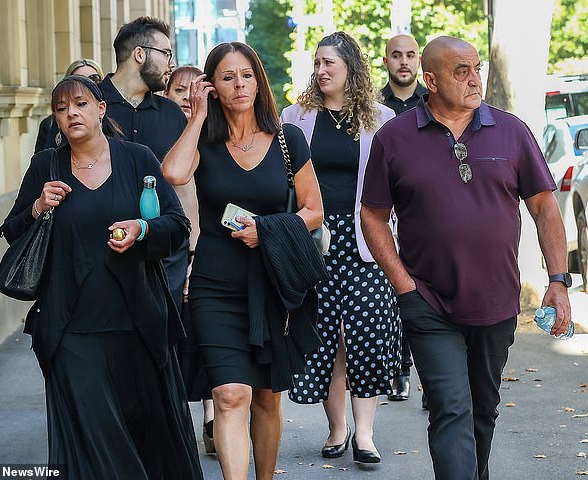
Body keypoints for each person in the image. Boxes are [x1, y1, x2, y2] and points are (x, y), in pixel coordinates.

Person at [360, 36, 571, 480]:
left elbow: (544, 206)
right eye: (461, 71)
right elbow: (373, 215)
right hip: (427, 301)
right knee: (450, 408)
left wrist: (558, 279)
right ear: (430, 79)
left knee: (482, 410)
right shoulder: (394, 138)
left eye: (477, 68)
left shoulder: (511, 131)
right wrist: (402, 282)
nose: (475, 79)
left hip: (495, 301)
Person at [0, 75, 203, 479]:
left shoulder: (138, 158)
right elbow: (13, 230)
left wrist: (141, 230)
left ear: (101, 109)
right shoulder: (47, 165)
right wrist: (39, 205)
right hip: (72, 329)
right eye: (61, 109)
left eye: (79, 104)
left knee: (149, 438)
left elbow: (177, 226)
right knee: (96, 444)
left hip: (137, 325)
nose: (71, 113)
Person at [162, 41, 326, 480]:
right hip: (215, 284)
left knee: (268, 398)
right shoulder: (206, 141)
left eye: (247, 75)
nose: (240, 85)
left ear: (259, 80)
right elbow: (174, 174)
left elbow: (314, 210)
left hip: (271, 283)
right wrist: (196, 115)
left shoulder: (288, 139)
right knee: (230, 394)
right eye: (228, 77)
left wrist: (269, 230)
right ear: (211, 86)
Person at [281, 31, 400, 464]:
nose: (320, 70)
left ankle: (365, 435)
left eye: (329, 63)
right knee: (325, 334)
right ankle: (337, 428)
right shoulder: (295, 117)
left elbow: (397, 184)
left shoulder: (381, 118)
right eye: (317, 63)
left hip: (367, 238)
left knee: (365, 332)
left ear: (350, 66)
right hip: (314, 239)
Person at [99, 16, 190, 314]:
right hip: (103, 256)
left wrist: (190, 254)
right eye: (166, 54)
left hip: (163, 261)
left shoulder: (172, 114)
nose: (170, 64)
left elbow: (186, 191)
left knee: (160, 355)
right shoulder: (89, 106)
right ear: (140, 54)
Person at [165, 65, 216, 454]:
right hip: (164, 255)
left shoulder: (211, 137)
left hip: (203, 253)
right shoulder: (156, 140)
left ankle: (213, 418)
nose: (185, 96)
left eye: (193, 90)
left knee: (206, 336)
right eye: (178, 89)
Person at [380, 33, 428, 403]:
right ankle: (398, 367)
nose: (404, 62)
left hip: (421, 208)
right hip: (381, 208)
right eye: (397, 55)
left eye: (410, 55)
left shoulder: (433, 102)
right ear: (386, 61)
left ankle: (427, 374)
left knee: (423, 287)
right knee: (395, 290)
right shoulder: (372, 105)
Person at [34, 58, 104, 152]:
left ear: (101, 109)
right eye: (78, 80)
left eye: (94, 79)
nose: (85, 85)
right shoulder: (50, 124)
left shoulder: (115, 120)